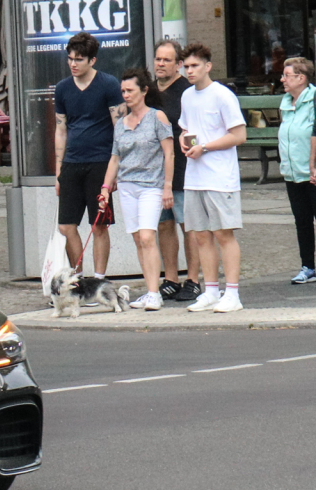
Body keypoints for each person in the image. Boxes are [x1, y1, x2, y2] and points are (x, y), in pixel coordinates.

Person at [178, 44, 247, 312]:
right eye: (186, 66)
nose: (189, 70)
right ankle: (210, 290)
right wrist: (187, 141)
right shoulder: (186, 96)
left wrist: (205, 147)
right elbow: (186, 126)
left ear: (208, 66)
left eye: (194, 65)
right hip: (195, 176)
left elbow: (239, 135)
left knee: (223, 234)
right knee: (201, 236)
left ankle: (232, 293)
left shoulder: (222, 95)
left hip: (219, 176)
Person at [99, 68, 175, 310]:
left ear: (144, 90)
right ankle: (150, 287)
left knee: (147, 235)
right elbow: (115, 158)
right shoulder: (121, 123)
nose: (126, 95)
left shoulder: (157, 117)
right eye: (123, 91)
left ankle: (154, 292)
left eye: (130, 90)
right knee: (137, 239)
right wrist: (105, 187)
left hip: (151, 185)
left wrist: (167, 186)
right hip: (127, 186)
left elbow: (169, 153)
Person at [55, 32, 125, 278]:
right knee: (66, 225)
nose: (73, 64)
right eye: (70, 58)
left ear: (92, 60)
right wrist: (58, 170)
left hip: (99, 163)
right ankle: (77, 278)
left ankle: (98, 280)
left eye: (79, 59)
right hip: (72, 163)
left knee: (99, 225)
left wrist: (114, 172)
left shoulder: (108, 84)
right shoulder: (63, 88)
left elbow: (120, 128)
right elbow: (61, 128)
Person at [152, 39, 204, 302]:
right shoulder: (149, 91)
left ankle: (193, 279)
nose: (161, 64)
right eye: (158, 59)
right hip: (157, 172)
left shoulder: (186, 91)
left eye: (167, 60)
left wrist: (194, 158)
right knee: (164, 225)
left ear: (178, 65)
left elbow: (192, 128)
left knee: (189, 226)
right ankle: (170, 278)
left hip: (184, 169)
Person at [276, 57, 316, 282]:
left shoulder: (313, 99)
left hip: (312, 173)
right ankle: (308, 266)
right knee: (301, 220)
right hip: (292, 173)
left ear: (301, 78)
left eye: (287, 75)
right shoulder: (286, 103)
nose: (282, 79)